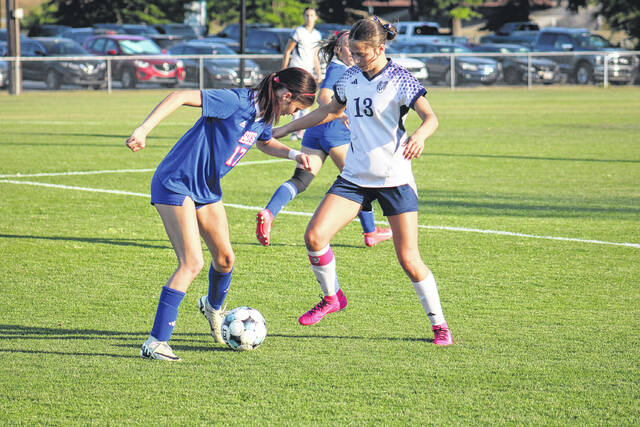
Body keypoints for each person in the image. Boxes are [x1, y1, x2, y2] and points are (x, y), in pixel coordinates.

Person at [272, 18, 453, 346]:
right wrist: (286, 129)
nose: (355, 59)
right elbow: (328, 110)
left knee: (409, 260)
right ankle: (332, 298)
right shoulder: (352, 77)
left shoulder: (400, 79)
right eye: (352, 53)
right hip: (355, 177)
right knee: (314, 237)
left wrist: (421, 136)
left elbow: (431, 117)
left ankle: (439, 324)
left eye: (361, 53)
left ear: (380, 48)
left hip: (394, 178)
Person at [126, 68, 317, 361]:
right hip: (176, 182)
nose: (294, 115)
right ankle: (155, 343)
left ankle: (213, 308)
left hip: (206, 188)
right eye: (296, 109)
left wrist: (293, 155)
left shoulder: (264, 116)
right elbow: (179, 96)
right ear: (286, 95)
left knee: (225, 259)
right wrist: (143, 129)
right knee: (192, 262)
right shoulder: (237, 101)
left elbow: (263, 141)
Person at [256, 30, 392, 248]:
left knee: (301, 180)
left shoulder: (345, 69)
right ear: (339, 49)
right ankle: (371, 231)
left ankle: (269, 212)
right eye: (350, 47)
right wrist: (342, 112)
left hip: (315, 131)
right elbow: (324, 96)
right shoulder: (339, 69)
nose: (355, 51)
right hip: (335, 133)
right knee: (360, 183)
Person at [282, 7, 322, 140]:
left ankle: (302, 131)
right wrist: (284, 71)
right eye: (307, 15)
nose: (309, 18)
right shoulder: (298, 31)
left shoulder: (317, 34)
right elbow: (287, 51)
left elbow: (315, 55)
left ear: (316, 17)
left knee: (307, 100)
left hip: (309, 72)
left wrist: (319, 72)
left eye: (311, 15)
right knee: (294, 100)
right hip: (297, 71)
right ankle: (294, 131)